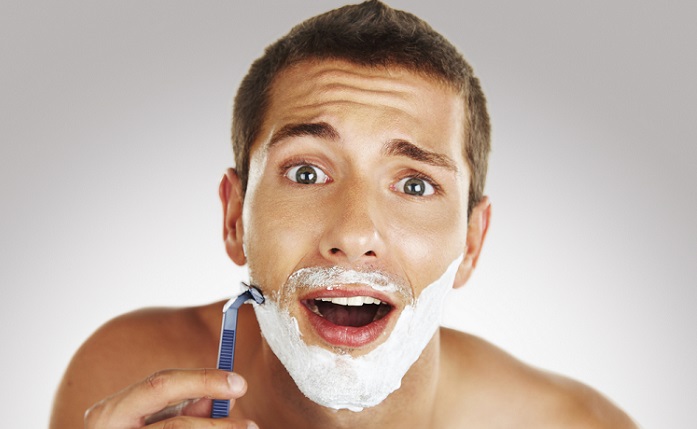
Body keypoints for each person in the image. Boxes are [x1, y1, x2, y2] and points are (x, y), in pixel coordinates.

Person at [50, 1, 638, 428]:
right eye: (307, 173)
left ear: (472, 242)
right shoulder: (123, 381)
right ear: (235, 218)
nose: (354, 234)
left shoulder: (575, 425)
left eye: (414, 183)